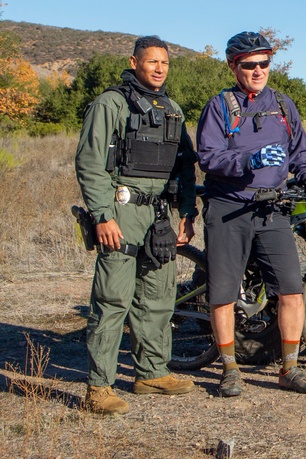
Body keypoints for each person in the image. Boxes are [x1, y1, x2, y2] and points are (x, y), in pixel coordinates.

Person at [196, 31, 306, 397]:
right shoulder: (219, 106)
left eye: (264, 63)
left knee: (290, 290)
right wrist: (247, 160)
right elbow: (208, 157)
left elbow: (301, 152)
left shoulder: (283, 105)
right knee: (222, 293)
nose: (257, 71)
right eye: (248, 65)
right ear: (232, 66)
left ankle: (290, 368)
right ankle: (230, 368)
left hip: (273, 207)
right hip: (229, 206)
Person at [75, 35, 198, 414]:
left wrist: (187, 214)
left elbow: (185, 166)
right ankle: (99, 387)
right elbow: (90, 163)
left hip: (159, 217)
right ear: (134, 62)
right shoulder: (110, 104)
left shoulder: (173, 110)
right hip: (120, 213)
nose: (159, 69)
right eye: (152, 62)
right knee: (112, 300)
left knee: (158, 299)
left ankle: (151, 373)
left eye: (164, 63)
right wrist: (102, 215)